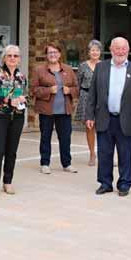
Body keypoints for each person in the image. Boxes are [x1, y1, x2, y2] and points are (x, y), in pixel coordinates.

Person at [85, 37, 131, 196]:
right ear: (111, 50)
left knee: (125, 154)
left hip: (127, 120)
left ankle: (124, 184)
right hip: (104, 117)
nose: (120, 51)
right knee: (104, 153)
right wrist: (89, 115)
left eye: (123, 48)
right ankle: (105, 183)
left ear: (128, 50)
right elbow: (92, 94)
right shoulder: (101, 67)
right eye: (117, 48)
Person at [0, 45, 27, 196]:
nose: (12, 58)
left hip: (17, 117)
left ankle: (8, 182)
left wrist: (23, 99)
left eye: (15, 56)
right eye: (9, 55)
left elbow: (27, 96)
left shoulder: (21, 77)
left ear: (19, 59)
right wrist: (9, 101)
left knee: (12, 151)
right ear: (4, 58)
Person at [33, 43, 80, 174]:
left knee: (65, 138)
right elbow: (34, 90)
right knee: (45, 137)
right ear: (46, 55)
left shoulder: (68, 69)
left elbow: (77, 88)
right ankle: (45, 164)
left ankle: (67, 164)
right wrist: (49, 90)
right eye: (50, 52)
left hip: (64, 110)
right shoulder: (39, 70)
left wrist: (69, 90)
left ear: (59, 54)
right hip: (46, 111)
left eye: (55, 52)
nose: (53, 55)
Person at [75, 40, 102, 167]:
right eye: (92, 50)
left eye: (97, 50)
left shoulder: (105, 65)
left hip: (101, 98)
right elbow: (78, 82)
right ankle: (92, 154)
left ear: (100, 52)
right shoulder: (83, 66)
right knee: (90, 127)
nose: (95, 52)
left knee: (103, 128)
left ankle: (104, 155)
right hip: (86, 97)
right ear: (89, 52)